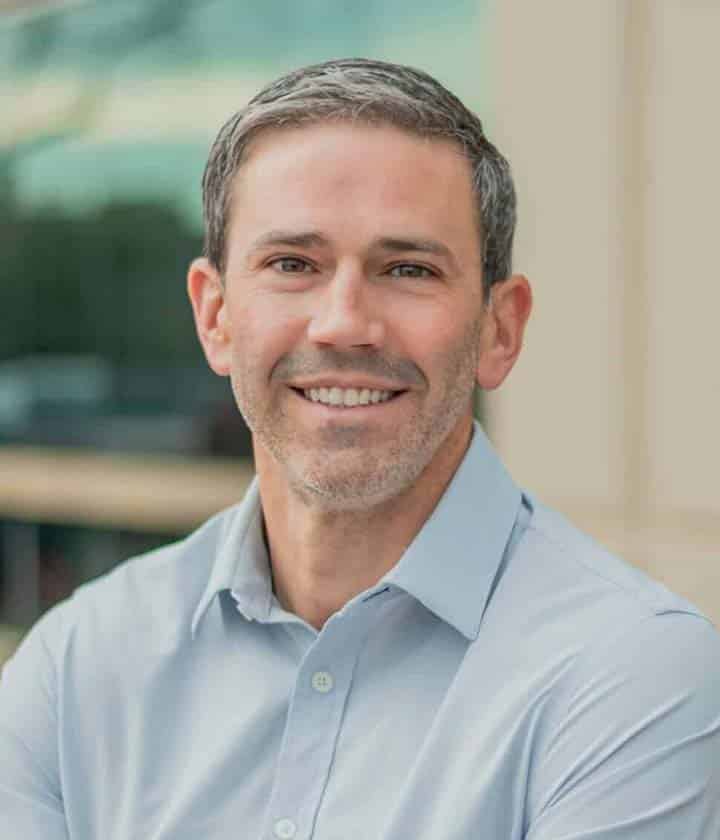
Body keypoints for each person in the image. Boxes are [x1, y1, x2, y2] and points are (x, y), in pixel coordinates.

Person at [1, 58, 718, 839]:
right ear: (215, 316)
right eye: (292, 265)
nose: (343, 322)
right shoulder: (76, 666)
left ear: (499, 330)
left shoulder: (633, 676)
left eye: (407, 269)